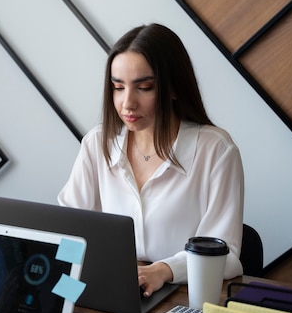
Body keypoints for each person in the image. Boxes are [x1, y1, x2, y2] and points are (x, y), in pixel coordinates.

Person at [58, 23, 244, 297]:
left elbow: (225, 255)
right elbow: (67, 231)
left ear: (174, 89)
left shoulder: (215, 150)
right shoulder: (97, 143)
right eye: (118, 87)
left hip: (179, 296)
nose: (127, 103)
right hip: (110, 290)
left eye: (143, 87)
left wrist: (164, 269)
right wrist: (65, 295)